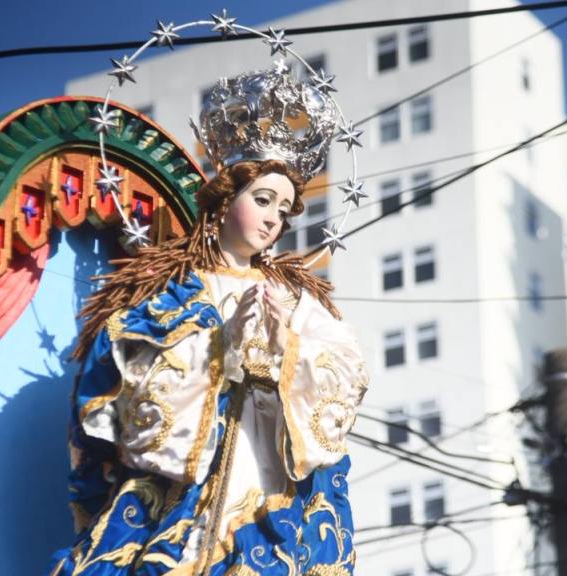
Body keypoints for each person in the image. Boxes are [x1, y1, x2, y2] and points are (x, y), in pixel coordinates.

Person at [47, 70, 368, 576]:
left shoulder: (294, 297)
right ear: (224, 200)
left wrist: (289, 349)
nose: (272, 220)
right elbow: (133, 381)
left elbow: (346, 375)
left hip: (269, 475)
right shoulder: (176, 288)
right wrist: (222, 346)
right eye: (262, 200)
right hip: (195, 480)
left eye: (283, 210)